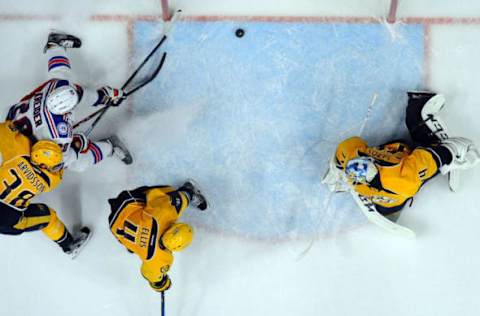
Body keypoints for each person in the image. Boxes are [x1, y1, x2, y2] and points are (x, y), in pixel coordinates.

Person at [323, 92, 480, 221]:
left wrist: (453, 152)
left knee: (425, 162)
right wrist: (336, 170)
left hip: (405, 167)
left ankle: (418, 114)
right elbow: (346, 152)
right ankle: (417, 114)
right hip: (399, 157)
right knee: (414, 169)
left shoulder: (402, 179)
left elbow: (433, 158)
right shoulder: (350, 154)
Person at [5, 31, 132, 172]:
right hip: (33, 153)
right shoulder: (61, 134)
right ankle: (109, 147)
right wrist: (78, 145)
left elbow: (77, 94)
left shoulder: (56, 88)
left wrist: (102, 97)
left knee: (61, 75)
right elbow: (67, 155)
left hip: (10, 124)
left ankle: (55, 44)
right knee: (79, 164)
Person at [0, 121, 90, 257]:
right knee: (48, 217)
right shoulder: (50, 180)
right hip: (10, 222)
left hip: (6, 212)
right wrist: (76, 148)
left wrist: (16, 130)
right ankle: (69, 246)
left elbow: (4, 129)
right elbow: (62, 164)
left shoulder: (18, 153)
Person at [108, 181, 208, 292]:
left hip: (125, 206)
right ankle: (133, 247)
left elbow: (179, 199)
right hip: (116, 228)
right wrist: (160, 284)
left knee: (164, 197)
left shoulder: (163, 214)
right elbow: (148, 274)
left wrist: (188, 193)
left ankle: (187, 190)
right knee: (138, 247)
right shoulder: (157, 259)